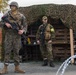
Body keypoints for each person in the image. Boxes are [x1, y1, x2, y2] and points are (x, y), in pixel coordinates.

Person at [0, 1, 27, 74]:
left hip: (17, 36)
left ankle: (17, 68)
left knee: (16, 52)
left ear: (17, 7)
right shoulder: (7, 15)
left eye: (14, 6)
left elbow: (25, 26)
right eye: (11, 6)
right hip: (8, 35)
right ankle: (5, 68)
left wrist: (22, 31)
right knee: (7, 51)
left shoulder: (21, 16)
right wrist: (5, 24)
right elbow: (1, 23)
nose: (12, 7)